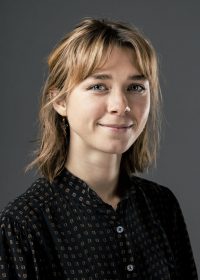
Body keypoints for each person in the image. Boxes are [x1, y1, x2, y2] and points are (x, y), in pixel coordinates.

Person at [0, 18, 198, 280]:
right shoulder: (23, 225)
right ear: (60, 101)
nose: (120, 105)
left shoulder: (162, 205)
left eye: (136, 87)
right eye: (98, 86)